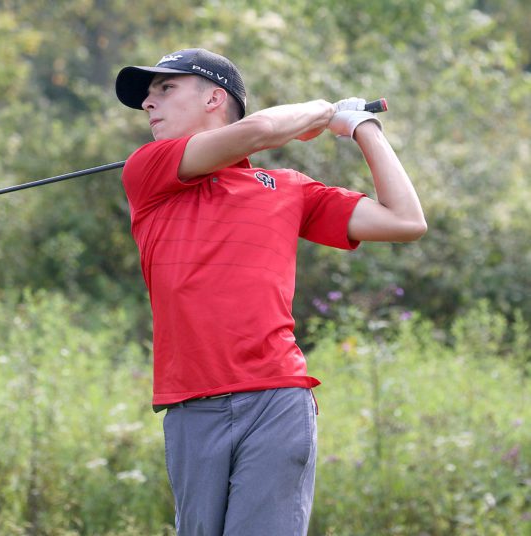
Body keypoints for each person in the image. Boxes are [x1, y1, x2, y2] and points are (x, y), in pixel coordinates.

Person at [114, 48, 427, 535]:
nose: (148, 105)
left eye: (165, 89)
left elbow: (406, 220)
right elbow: (259, 132)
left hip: (276, 397)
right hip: (192, 404)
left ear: (215, 97)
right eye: (147, 97)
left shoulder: (287, 188)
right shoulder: (148, 169)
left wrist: (363, 126)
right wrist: (324, 111)